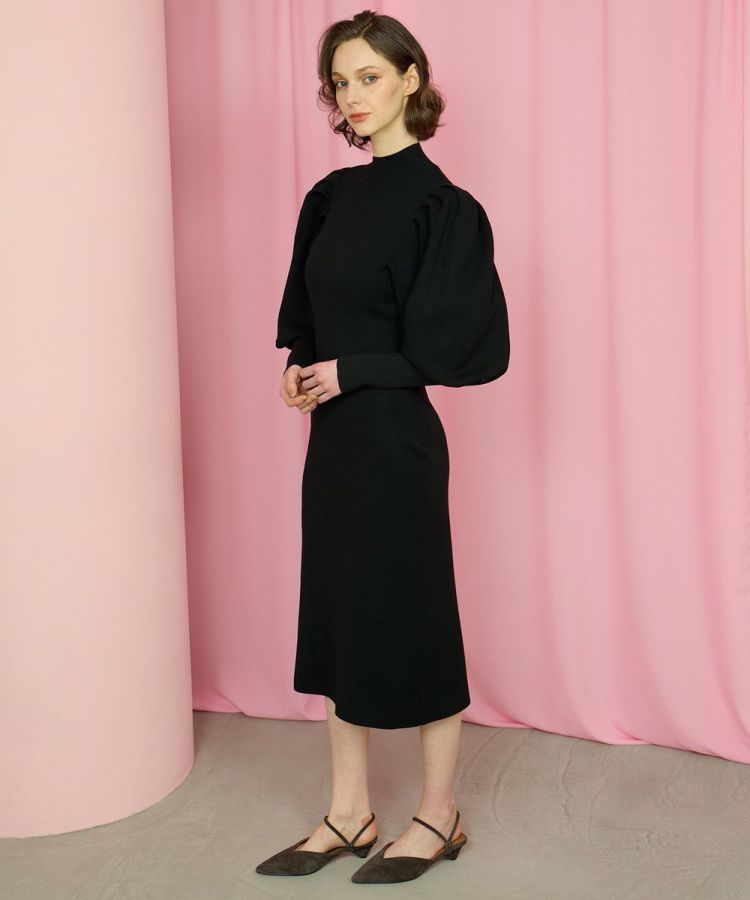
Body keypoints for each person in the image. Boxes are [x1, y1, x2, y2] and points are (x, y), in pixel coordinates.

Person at [257, 9, 510, 885]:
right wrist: (299, 370)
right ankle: (349, 810)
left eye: (369, 76)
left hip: (398, 447)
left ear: (410, 79)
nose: (352, 95)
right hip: (333, 446)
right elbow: (308, 317)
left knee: (418, 616)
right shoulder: (329, 199)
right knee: (338, 614)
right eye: (340, 81)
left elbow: (460, 353)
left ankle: (439, 814)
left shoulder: (446, 209)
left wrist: (351, 370)